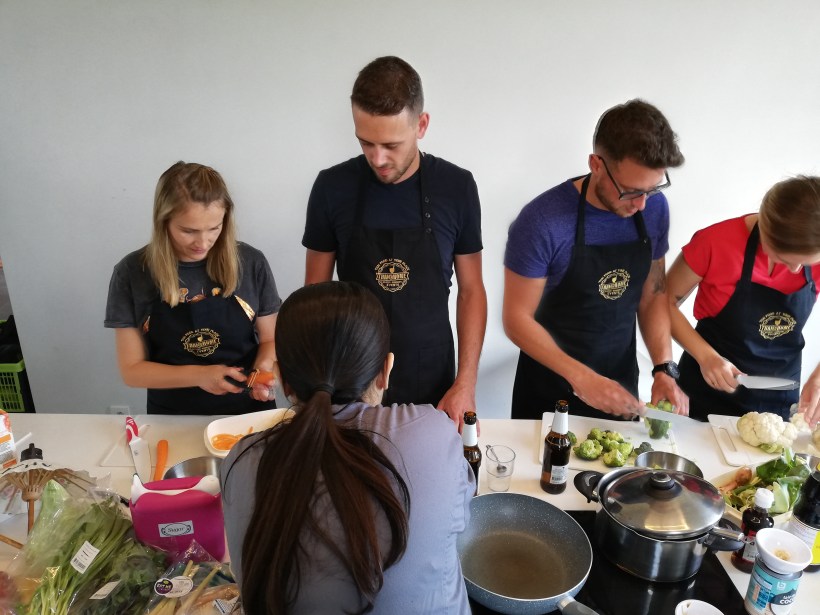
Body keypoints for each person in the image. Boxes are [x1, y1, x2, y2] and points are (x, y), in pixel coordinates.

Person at [220, 281, 473, 615]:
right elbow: (461, 519)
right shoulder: (435, 433)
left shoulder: (240, 460)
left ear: (282, 377)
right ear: (386, 369)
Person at [302, 56, 487, 428]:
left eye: (391, 144)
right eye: (365, 143)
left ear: (422, 125)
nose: (378, 158)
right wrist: (316, 389)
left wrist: (465, 383)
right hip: (352, 377)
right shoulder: (331, 187)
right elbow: (314, 297)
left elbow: (471, 291)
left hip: (432, 372)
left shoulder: (456, 187)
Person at [503, 99, 688, 420]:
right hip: (549, 392)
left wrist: (663, 367)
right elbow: (516, 319)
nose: (643, 204)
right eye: (631, 191)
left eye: (653, 189)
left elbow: (653, 295)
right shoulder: (543, 222)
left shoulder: (654, 210)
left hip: (621, 385)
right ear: (596, 164)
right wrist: (583, 378)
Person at [105, 161, 281, 415]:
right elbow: (132, 370)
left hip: (246, 412)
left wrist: (262, 372)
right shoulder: (132, 273)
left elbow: (270, 338)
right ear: (163, 221)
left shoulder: (251, 263)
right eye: (188, 231)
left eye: (214, 228)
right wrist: (199, 375)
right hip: (173, 415)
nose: (203, 242)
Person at [668, 176, 820, 423]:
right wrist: (706, 357)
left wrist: (818, 379)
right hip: (705, 394)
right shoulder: (716, 243)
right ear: (766, 230)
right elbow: (662, 302)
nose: (795, 270)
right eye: (785, 258)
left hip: (778, 403)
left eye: (806, 261)